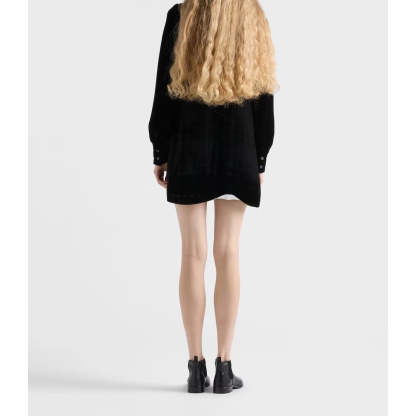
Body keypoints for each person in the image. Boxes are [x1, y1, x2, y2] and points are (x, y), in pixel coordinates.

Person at [148, 0, 277, 394]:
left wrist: (160, 152)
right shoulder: (252, 14)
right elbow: (264, 96)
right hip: (240, 149)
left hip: (189, 148)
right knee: (228, 253)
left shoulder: (181, 14)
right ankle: (224, 367)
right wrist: (259, 157)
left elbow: (164, 92)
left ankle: (195, 366)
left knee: (192, 254)